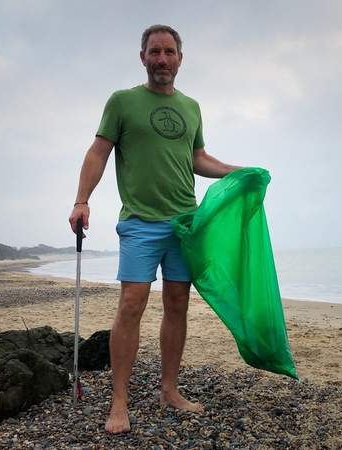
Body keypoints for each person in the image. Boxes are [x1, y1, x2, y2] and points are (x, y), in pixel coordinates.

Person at [68, 24, 241, 434]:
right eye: (154, 52)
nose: (162, 59)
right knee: (132, 303)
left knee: (177, 304)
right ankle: (119, 402)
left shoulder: (192, 107)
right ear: (142, 57)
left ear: (180, 58)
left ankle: (169, 391)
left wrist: (237, 171)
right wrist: (81, 200)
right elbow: (98, 151)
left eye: (169, 52)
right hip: (140, 222)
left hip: (185, 222)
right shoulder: (123, 102)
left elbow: (197, 158)